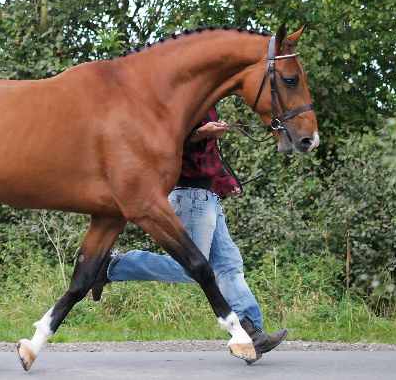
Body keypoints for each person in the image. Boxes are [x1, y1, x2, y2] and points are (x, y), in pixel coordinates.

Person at [91, 106, 287, 360]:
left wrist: (226, 182)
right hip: (190, 197)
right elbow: (166, 142)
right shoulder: (182, 102)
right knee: (190, 269)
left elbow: (208, 161)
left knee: (229, 266)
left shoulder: (207, 106)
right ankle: (112, 266)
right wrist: (199, 133)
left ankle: (250, 332)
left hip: (208, 198)